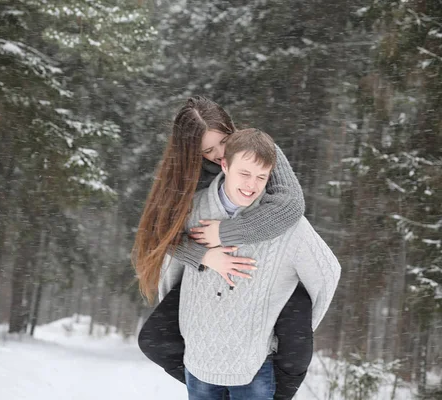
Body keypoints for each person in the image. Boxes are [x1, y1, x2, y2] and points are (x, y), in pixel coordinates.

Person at [133, 97, 312, 399]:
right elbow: (159, 233)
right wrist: (203, 255)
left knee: (296, 340)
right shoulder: (183, 174)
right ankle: (221, 383)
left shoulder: (255, 148)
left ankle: (271, 393)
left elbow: (290, 205)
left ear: (231, 130)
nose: (218, 155)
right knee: (155, 340)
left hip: (269, 262)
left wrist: (225, 233)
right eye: (207, 151)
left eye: (223, 143)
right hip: (210, 272)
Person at [158, 128, 341, 400]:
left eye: (261, 177)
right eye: (244, 173)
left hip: (254, 368)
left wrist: (292, 332)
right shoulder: (192, 210)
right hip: (198, 364)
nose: (251, 185)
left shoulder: (291, 227)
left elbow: (327, 275)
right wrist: (188, 327)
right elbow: (168, 271)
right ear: (224, 164)